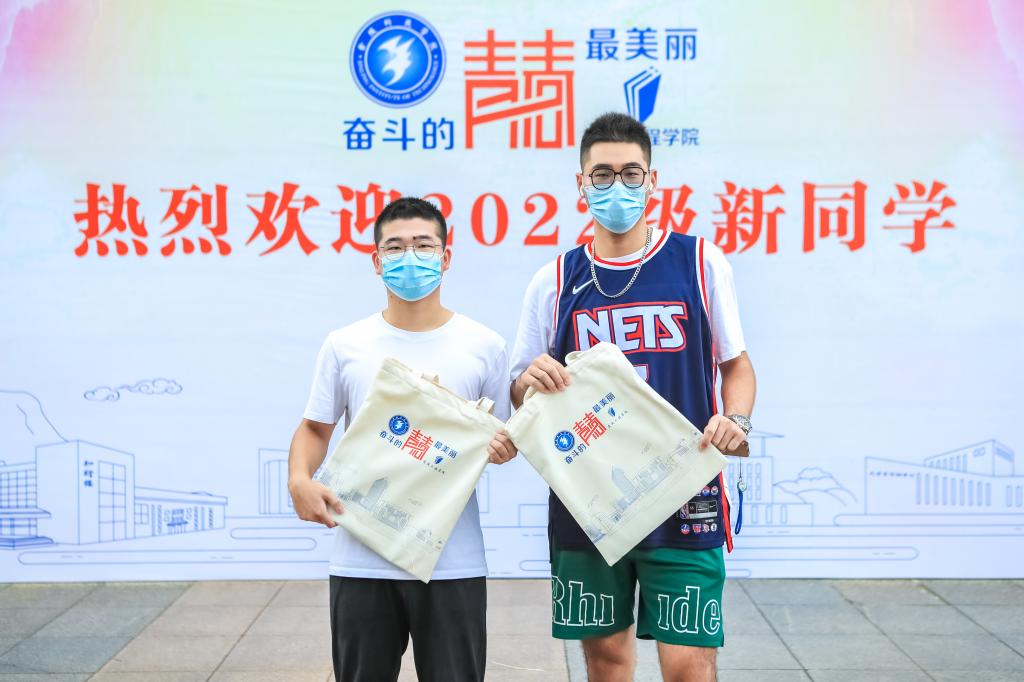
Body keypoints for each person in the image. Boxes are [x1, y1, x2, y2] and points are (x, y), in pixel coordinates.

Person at [508, 112, 757, 681]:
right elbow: (519, 392)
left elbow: (737, 367)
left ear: (652, 181)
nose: (616, 186)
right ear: (581, 184)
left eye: (630, 173)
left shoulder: (699, 262)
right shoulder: (554, 280)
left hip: (684, 493)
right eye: (602, 174)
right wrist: (528, 380)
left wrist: (736, 420)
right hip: (588, 503)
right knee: (607, 661)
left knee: (689, 663)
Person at [288, 196, 517, 682]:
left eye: (424, 245)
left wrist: (503, 449)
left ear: (446, 256)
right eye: (394, 247)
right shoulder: (345, 344)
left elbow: (503, 440)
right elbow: (315, 428)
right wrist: (298, 479)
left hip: (452, 562)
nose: (410, 256)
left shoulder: (485, 345)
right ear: (376, 261)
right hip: (361, 558)